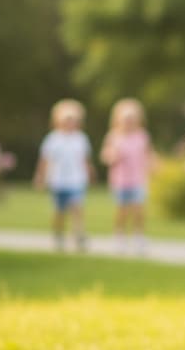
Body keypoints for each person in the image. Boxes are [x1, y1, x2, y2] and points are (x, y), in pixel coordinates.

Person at [33, 98, 95, 251]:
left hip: (76, 179)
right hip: (58, 180)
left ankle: (79, 234)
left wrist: (90, 173)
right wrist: (40, 177)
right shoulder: (53, 139)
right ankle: (58, 235)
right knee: (59, 211)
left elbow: (85, 159)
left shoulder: (80, 138)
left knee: (77, 207)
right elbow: (45, 160)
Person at [100, 97, 155, 251]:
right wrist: (113, 156)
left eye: (132, 119)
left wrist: (154, 166)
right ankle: (119, 236)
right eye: (126, 119)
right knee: (122, 210)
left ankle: (139, 236)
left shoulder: (142, 136)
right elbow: (106, 155)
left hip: (138, 179)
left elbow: (148, 154)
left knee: (138, 210)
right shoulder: (114, 136)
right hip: (120, 180)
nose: (129, 122)